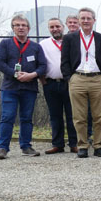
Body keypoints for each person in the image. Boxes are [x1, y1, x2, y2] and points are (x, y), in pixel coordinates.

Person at [61, 7, 101, 158]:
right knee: (79, 116)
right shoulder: (70, 38)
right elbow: (64, 61)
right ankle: (82, 145)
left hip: (97, 79)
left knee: (98, 116)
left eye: (88, 18)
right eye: (82, 18)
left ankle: (98, 145)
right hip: (77, 78)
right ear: (78, 21)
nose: (85, 21)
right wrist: (69, 78)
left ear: (94, 20)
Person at [0, 14, 46, 159]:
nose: (21, 27)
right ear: (13, 28)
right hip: (10, 87)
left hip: (29, 88)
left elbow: (43, 66)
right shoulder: (5, 44)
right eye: (17, 25)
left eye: (23, 25)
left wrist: (31, 75)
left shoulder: (36, 47)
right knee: (7, 117)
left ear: (28, 28)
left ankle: (26, 146)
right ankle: (3, 148)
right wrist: (15, 74)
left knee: (26, 118)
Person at [40, 18, 78, 155]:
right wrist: (43, 80)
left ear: (63, 27)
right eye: (51, 27)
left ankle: (74, 143)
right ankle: (57, 144)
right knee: (55, 116)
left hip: (69, 83)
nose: (55, 29)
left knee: (72, 115)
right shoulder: (43, 44)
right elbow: (40, 63)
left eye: (57, 26)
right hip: (50, 84)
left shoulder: (71, 41)